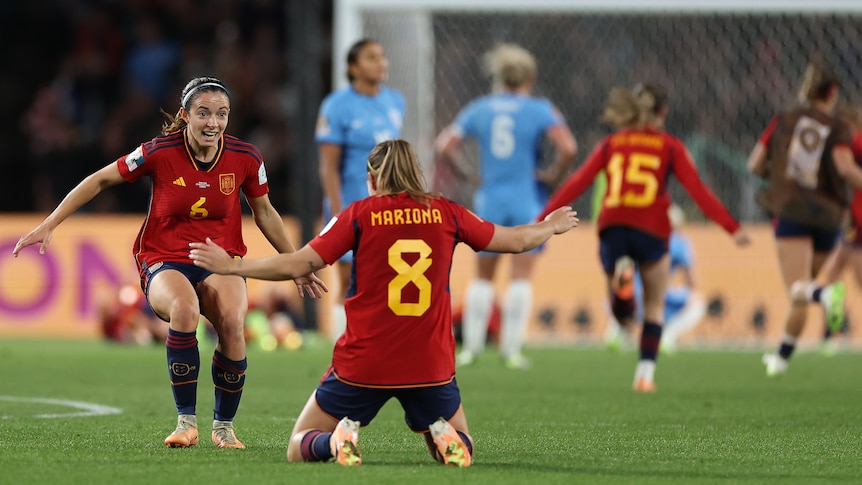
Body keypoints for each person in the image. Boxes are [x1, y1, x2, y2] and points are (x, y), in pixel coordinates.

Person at [189, 139, 579, 467]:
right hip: (430, 363)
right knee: (459, 444)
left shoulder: (359, 214)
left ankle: (336, 441)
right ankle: (447, 437)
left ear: (373, 178)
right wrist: (550, 226)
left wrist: (233, 265)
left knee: (300, 443)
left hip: (365, 362)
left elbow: (298, 263)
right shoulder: (447, 212)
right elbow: (514, 240)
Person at [13, 76, 326, 449]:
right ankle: (186, 423)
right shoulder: (158, 151)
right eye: (204, 113)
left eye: (222, 114)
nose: (213, 122)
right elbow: (99, 181)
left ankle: (223, 429)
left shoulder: (246, 157)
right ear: (185, 115)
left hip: (221, 261)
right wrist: (50, 223)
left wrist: (295, 262)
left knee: (231, 322)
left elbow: (266, 213)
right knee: (183, 307)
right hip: (164, 256)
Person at [538, 84, 750, 392]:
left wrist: (541, 217)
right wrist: (732, 227)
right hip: (651, 226)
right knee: (654, 305)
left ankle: (622, 293)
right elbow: (698, 191)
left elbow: (578, 181)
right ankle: (645, 375)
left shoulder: (611, 143)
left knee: (622, 314)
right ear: (662, 114)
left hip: (612, 224)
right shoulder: (671, 147)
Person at [435, 43, 577, 369]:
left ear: (498, 76)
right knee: (521, 276)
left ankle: (470, 349)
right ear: (530, 75)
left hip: (490, 198)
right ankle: (511, 351)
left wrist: (469, 175)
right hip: (527, 196)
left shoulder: (479, 108)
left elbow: (445, 145)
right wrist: (552, 176)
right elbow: (568, 147)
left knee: (483, 276)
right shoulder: (540, 109)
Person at [748, 60, 862, 377]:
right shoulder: (838, 127)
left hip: (793, 210)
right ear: (833, 92)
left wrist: (783, 178)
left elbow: (755, 163)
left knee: (799, 290)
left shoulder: (784, 120)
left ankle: (826, 295)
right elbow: (845, 169)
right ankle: (781, 360)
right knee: (807, 289)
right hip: (828, 215)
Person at [316, 38, 405, 342]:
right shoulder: (336, 106)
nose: (381, 62)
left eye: (382, 56)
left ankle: (374, 345)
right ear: (353, 68)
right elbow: (328, 166)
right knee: (347, 281)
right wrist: (338, 211)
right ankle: (343, 350)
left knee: (382, 278)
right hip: (351, 204)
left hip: (387, 208)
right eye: (371, 57)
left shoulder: (395, 102)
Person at [785, 99, 862, 353]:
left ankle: (831, 334)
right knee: (833, 275)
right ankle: (830, 335)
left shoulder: (852, 141)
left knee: (845, 275)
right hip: (853, 217)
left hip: (857, 217)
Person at [603, 204, 708, 354]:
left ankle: (616, 330)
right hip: (659, 295)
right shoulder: (679, 243)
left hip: (632, 295)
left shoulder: (641, 236)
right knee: (697, 302)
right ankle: (666, 336)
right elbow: (692, 282)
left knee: (622, 293)